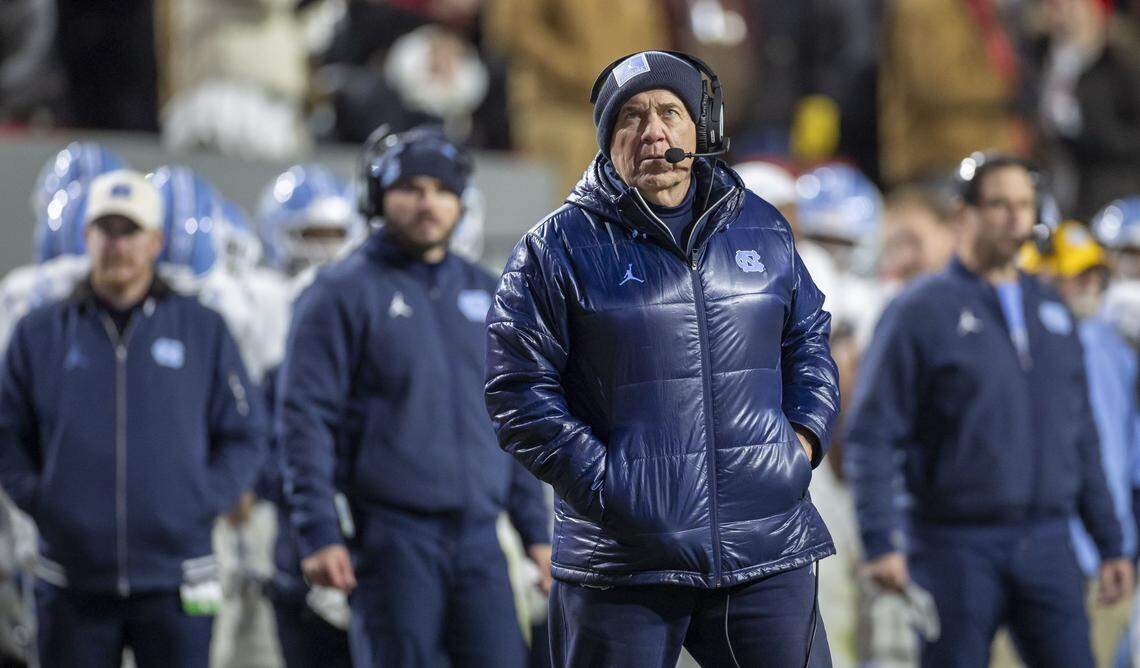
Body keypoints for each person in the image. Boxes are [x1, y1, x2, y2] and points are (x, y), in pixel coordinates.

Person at [485, 50, 839, 667]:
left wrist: (801, 440)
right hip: (624, 560)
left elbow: (807, 338)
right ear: (608, 142)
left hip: (765, 546)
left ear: (700, 129)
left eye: (670, 112)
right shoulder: (552, 249)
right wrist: (609, 486)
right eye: (630, 118)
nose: (654, 132)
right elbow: (517, 392)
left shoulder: (761, 226)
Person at [845, 153, 1134, 667]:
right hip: (954, 543)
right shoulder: (920, 310)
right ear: (965, 214)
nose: (1014, 217)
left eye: (1024, 204)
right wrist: (880, 538)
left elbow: (1081, 437)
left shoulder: (1050, 310)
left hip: (1047, 541)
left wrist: (1110, 543)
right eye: (999, 204)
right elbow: (873, 433)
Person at [279, 127, 552, 668]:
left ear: (461, 200)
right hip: (392, 542)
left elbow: (511, 419)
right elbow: (304, 419)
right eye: (412, 188)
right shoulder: (338, 293)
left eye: (442, 189)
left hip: (480, 541)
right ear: (379, 197)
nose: (429, 203)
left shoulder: (489, 290)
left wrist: (534, 533)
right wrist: (317, 533)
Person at [0, 169, 266, 667]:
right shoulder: (40, 332)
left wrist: (201, 501)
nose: (117, 244)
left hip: (180, 576)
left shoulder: (203, 329)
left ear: (156, 241)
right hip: (72, 577)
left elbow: (246, 433)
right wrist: (44, 501)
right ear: (87, 237)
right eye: (106, 229)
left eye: (131, 231)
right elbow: (7, 432)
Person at [1020, 220, 1140, 666]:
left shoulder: (1102, 346)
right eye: (1076, 275)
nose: (1089, 285)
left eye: (1094, 275)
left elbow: (1118, 461)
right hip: (1074, 549)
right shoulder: (1102, 346)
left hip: (1079, 553)